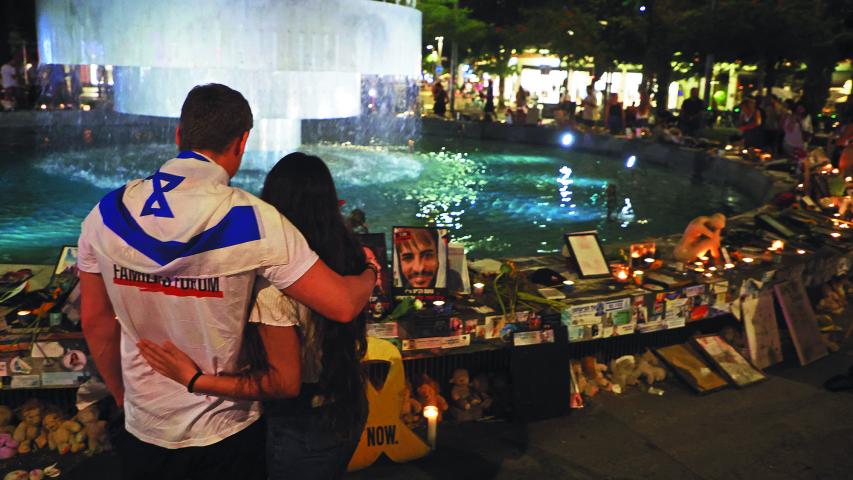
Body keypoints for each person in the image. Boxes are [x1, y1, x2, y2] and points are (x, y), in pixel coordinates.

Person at [78, 84, 376, 480]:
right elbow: (341, 304)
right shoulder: (255, 220)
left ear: (179, 135)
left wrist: (121, 395)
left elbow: (96, 323)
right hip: (226, 430)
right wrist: (369, 273)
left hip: (145, 427)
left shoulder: (105, 214)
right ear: (242, 142)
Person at [140, 153, 370, 480]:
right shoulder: (347, 257)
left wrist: (194, 380)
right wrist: (372, 271)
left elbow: (284, 383)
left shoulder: (272, 289)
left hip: (302, 425)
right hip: (346, 404)